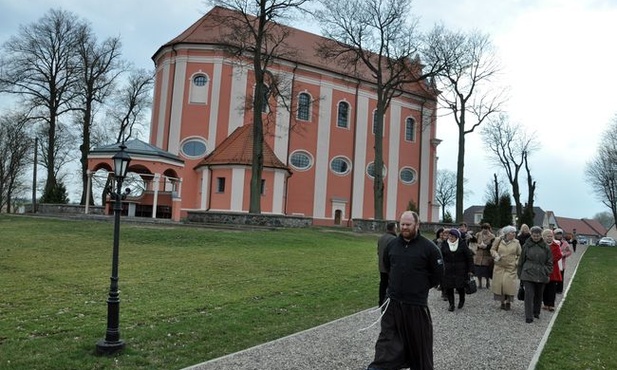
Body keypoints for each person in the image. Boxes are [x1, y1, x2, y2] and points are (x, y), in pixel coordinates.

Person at [367, 211, 444, 370]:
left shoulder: (429, 248)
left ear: (417, 225)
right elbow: (388, 267)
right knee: (387, 339)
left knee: (419, 344)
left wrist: (419, 286)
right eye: (402, 224)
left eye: (408, 224)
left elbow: (438, 274)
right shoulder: (392, 245)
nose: (404, 227)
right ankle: (379, 367)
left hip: (415, 304)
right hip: (393, 302)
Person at [517, 226, 552, 323]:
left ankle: (536, 311)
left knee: (539, 294)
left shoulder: (546, 247)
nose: (536, 237)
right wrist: (520, 274)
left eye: (538, 236)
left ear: (541, 235)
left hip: (541, 273)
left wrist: (546, 271)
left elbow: (549, 262)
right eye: (534, 235)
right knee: (529, 295)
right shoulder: (526, 246)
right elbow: (521, 260)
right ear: (531, 235)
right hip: (528, 273)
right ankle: (528, 316)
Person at [440, 228, 474, 311]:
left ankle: (462, 300)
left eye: (453, 236)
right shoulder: (444, 244)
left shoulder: (462, 244)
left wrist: (470, 270)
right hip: (448, 269)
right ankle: (451, 304)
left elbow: (469, 257)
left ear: (457, 237)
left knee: (460, 287)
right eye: (450, 235)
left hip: (461, 269)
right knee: (449, 287)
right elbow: (440, 256)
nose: (451, 237)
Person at [490, 225, 522, 311]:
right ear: (507, 233)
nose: (514, 234)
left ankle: (508, 302)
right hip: (499, 266)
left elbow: (520, 255)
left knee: (508, 285)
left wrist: (516, 263)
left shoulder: (516, 242)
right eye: (512, 232)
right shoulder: (498, 240)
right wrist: (496, 255)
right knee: (500, 285)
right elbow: (492, 250)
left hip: (511, 267)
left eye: (515, 232)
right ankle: (502, 302)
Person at [542, 229, 563, 312]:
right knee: (544, 288)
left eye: (551, 236)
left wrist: (550, 261)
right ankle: (545, 303)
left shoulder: (556, 245)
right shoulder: (542, 245)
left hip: (553, 269)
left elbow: (559, 255)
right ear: (544, 237)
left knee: (552, 288)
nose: (550, 238)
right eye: (548, 236)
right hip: (544, 269)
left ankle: (551, 304)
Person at [377, 222, 397, 307]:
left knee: (383, 284)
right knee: (391, 285)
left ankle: (381, 301)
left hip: (381, 266)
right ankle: (389, 302)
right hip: (390, 267)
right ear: (393, 228)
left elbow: (378, 251)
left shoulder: (381, 238)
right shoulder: (394, 239)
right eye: (396, 228)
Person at [473, 223, 495, 289]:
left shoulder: (492, 236)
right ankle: (479, 283)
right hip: (479, 255)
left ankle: (487, 282)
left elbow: (493, 245)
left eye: (486, 229)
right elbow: (474, 242)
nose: (484, 230)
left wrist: (486, 247)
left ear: (489, 229)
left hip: (487, 255)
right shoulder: (478, 234)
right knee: (478, 271)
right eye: (483, 229)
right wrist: (478, 245)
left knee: (486, 270)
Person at [553, 228, 572, 294]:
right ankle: (553, 288)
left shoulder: (565, 243)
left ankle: (559, 289)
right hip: (553, 262)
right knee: (553, 276)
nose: (559, 236)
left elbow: (569, 252)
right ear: (555, 235)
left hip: (561, 263)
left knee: (560, 276)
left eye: (560, 234)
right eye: (557, 234)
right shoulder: (552, 241)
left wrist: (563, 254)